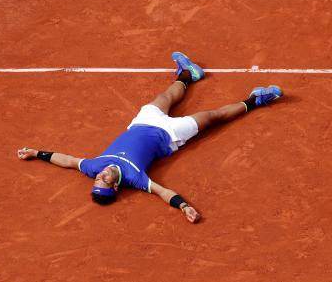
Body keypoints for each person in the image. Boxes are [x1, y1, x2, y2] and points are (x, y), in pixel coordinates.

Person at [17, 52, 283, 223]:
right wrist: (184, 207)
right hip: (171, 135)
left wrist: (37, 153)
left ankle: (188, 74)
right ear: (116, 187)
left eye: (98, 180)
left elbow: (67, 160)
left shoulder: (94, 166)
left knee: (166, 97)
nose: (101, 177)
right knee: (212, 116)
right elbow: (163, 192)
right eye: (105, 182)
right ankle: (257, 99)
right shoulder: (134, 178)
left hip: (141, 123)